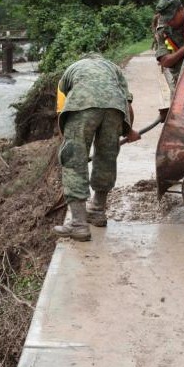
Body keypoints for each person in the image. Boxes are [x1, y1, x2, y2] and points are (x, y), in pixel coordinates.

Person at [53, 53, 140, 242]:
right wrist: (129, 131)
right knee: (106, 157)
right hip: (115, 108)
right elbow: (127, 103)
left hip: (81, 105)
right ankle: (98, 211)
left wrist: (67, 141)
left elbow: (62, 107)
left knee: (74, 160)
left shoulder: (72, 69)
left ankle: (78, 224)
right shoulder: (113, 68)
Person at [155, 0, 184, 95]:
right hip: (181, 87)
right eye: (166, 19)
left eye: (172, 18)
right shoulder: (163, 31)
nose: (169, 22)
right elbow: (165, 61)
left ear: (181, 9)